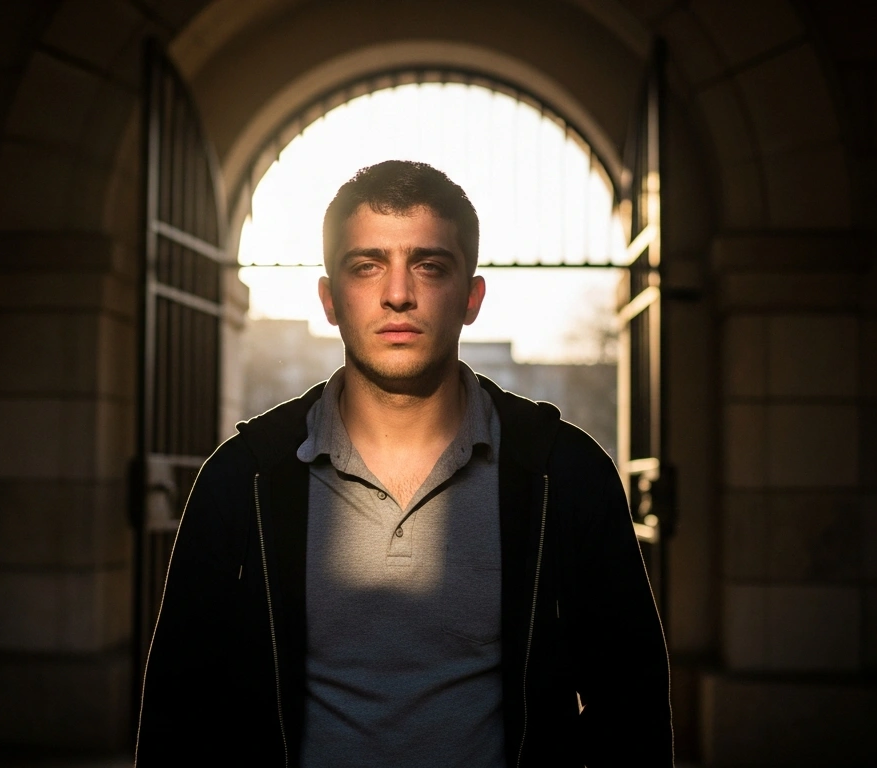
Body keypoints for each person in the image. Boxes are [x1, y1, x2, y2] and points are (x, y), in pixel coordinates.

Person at [135, 160, 672, 767]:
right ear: (330, 299)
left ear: (471, 298)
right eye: (367, 266)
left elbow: (632, 709)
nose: (397, 293)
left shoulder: (565, 474)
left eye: (429, 265)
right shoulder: (242, 479)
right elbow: (176, 719)